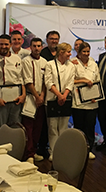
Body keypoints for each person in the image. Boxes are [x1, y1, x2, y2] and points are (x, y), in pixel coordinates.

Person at [0, 34, 26, 135]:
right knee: (0, 128)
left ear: (10, 44)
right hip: (0, 99)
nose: (3, 47)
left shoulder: (16, 59)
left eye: (6, 44)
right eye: (1, 44)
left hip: (16, 99)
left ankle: (14, 150)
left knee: (15, 127)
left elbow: (21, 79)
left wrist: (23, 95)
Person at [44, 42, 75, 161]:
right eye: (68, 52)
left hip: (65, 100)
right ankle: (53, 151)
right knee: (52, 127)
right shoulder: (50, 64)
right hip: (52, 99)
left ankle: (62, 151)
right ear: (61, 52)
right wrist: (58, 95)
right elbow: (48, 82)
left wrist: (64, 96)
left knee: (63, 127)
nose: (70, 54)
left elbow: (70, 82)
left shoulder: (71, 66)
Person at [72, 42, 100, 160]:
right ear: (79, 52)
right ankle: (79, 150)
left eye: (88, 51)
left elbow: (98, 81)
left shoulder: (93, 64)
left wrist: (96, 95)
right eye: (84, 51)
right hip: (78, 102)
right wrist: (83, 80)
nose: (86, 54)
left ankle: (89, 150)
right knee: (79, 127)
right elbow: (70, 80)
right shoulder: (73, 63)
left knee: (90, 127)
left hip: (92, 102)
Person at [21, 37, 47, 164]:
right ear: (30, 47)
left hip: (41, 99)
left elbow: (45, 81)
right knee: (29, 128)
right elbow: (28, 81)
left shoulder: (45, 62)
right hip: (30, 98)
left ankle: (34, 151)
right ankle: (28, 154)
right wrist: (37, 96)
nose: (37, 48)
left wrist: (42, 96)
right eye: (34, 46)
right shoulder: (25, 61)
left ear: (42, 47)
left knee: (38, 127)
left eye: (39, 46)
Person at [38, 30, 60, 159]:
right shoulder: (42, 53)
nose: (54, 41)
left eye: (56, 39)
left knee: (56, 124)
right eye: (52, 39)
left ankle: (55, 148)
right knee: (45, 124)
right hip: (44, 91)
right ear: (47, 40)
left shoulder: (60, 53)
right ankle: (42, 148)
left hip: (58, 94)